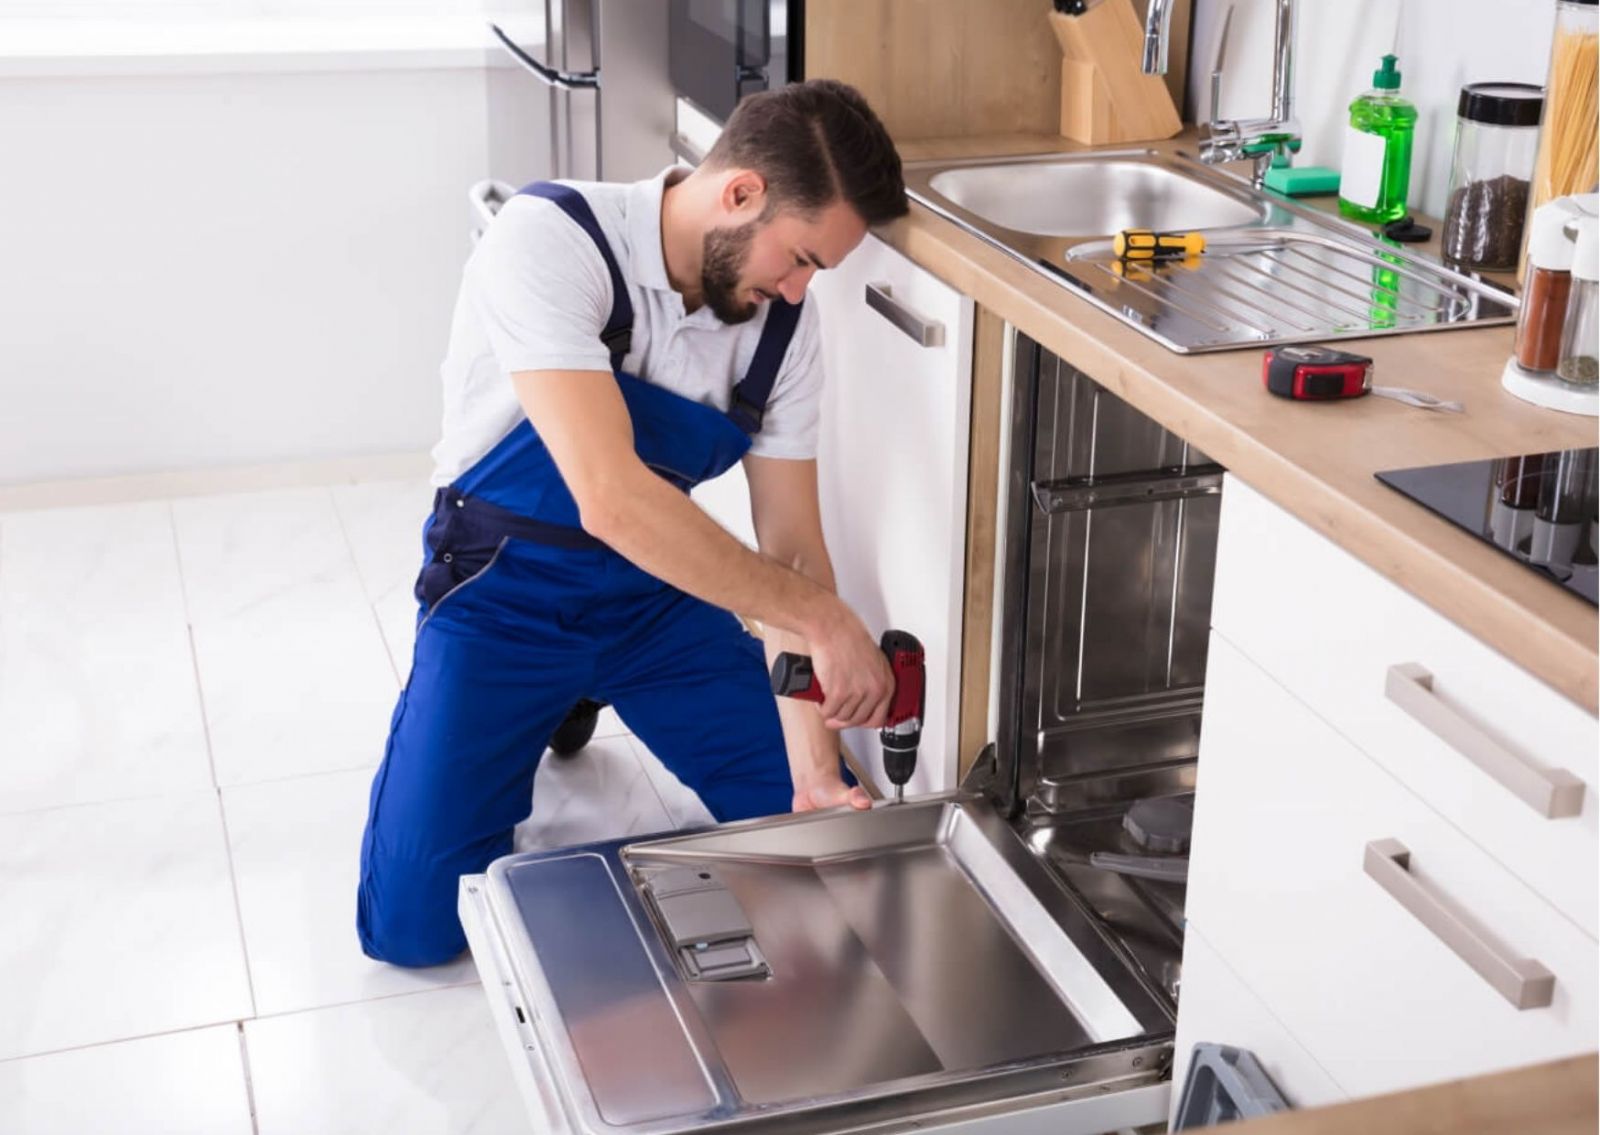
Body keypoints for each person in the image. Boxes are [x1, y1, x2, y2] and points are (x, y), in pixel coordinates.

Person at [355, 79, 911, 967]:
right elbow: (609, 496)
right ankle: (549, 702)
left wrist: (814, 771)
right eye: (801, 258)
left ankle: (587, 692)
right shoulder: (548, 242)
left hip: (657, 599)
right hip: (505, 594)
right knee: (414, 932)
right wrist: (819, 618)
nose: (801, 290)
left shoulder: (779, 327)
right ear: (739, 194)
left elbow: (793, 547)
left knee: (813, 843)